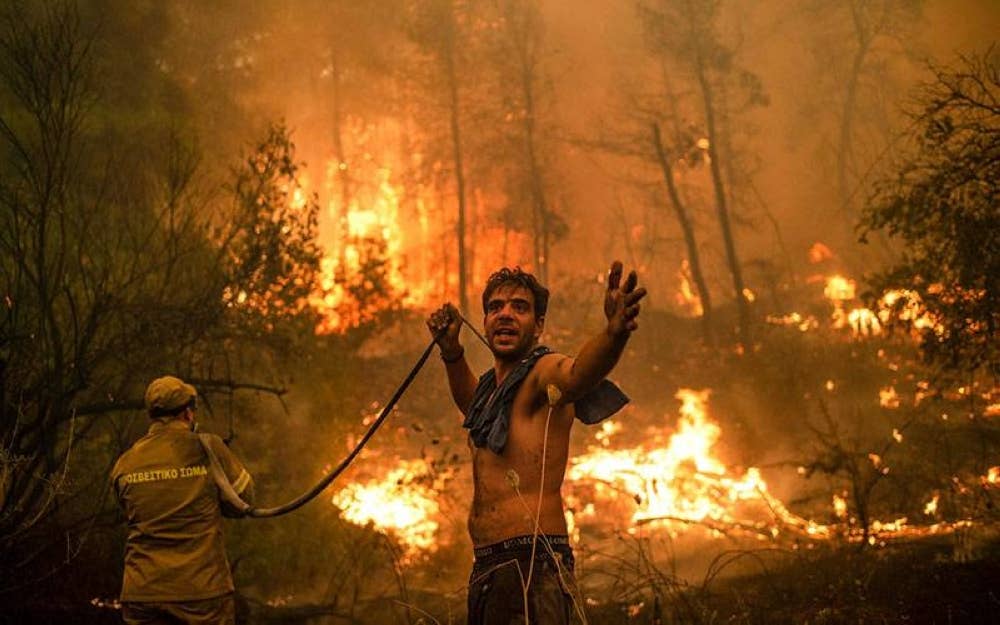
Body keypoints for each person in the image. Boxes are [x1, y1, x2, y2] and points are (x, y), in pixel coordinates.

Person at [426, 261, 646, 624]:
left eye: (520, 307)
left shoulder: (543, 373)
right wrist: (452, 353)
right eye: (495, 307)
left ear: (539, 325)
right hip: (488, 566)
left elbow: (577, 375)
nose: (506, 315)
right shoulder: (489, 393)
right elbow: (472, 408)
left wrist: (614, 332)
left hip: (532, 562)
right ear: (484, 322)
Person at [110, 375, 254, 625]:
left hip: (142, 593)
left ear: (152, 415)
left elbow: (129, 512)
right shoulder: (209, 448)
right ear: (188, 413)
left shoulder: (125, 462)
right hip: (201, 593)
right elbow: (244, 499)